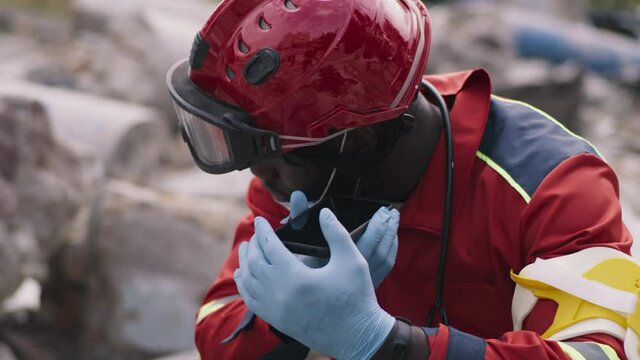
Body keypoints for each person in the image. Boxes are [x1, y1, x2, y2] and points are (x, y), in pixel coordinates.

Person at [166, 0, 640, 359]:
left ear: (359, 143)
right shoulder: (302, 177)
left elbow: (597, 353)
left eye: (267, 153)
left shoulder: (554, 185)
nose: (257, 174)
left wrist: (384, 341)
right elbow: (217, 328)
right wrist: (285, 318)